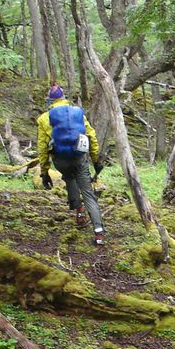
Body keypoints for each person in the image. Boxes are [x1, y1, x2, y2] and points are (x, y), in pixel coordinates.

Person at [36, 84, 106, 246]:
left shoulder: (44, 118)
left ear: (50, 101)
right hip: (79, 156)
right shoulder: (77, 113)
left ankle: (80, 214)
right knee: (88, 192)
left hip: (60, 159)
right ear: (64, 97)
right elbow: (92, 137)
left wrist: (45, 172)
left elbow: (42, 147)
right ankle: (99, 233)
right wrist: (96, 160)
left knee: (69, 179)